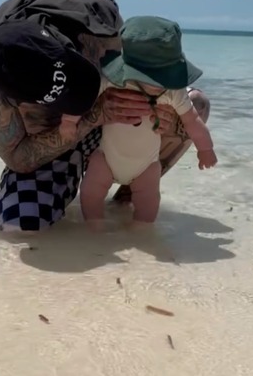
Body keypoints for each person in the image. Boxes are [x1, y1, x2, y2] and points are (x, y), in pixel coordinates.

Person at [0, 0, 211, 232]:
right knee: (19, 225)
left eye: (80, 79)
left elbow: (147, 72)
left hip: (113, 130)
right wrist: (95, 115)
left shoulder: (98, 23)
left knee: (196, 105)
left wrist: (159, 111)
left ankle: (127, 200)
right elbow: (19, 159)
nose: (76, 100)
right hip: (53, 141)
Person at [75, 16, 217, 228]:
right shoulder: (113, 81)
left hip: (147, 165)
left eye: (165, 76)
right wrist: (70, 121)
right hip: (105, 158)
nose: (159, 84)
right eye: (153, 77)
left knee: (149, 202)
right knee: (90, 192)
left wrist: (205, 148)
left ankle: (142, 232)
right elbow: (82, 99)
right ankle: (95, 228)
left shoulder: (173, 91)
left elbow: (193, 121)